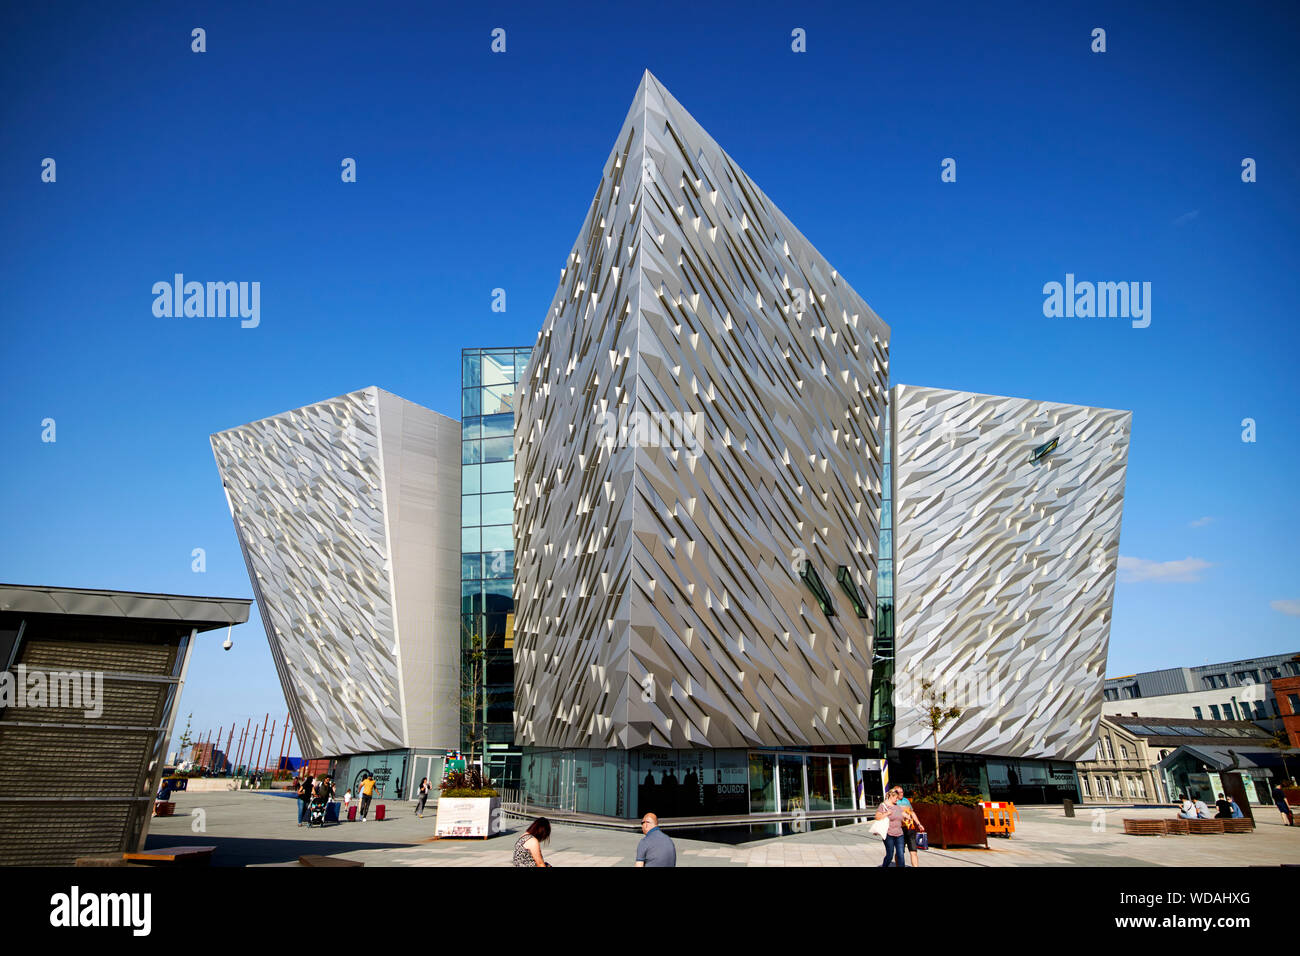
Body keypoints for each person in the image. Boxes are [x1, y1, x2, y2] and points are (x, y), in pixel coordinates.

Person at [875, 789, 909, 867]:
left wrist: (907, 817)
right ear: (891, 796)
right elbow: (877, 817)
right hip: (888, 834)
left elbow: (901, 815)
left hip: (899, 834)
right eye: (896, 798)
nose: (897, 799)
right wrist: (887, 813)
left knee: (901, 854)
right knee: (890, 855)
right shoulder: (883, 806)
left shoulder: (897, 806)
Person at [893, 786, 927, 867]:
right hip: (899, 830)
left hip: (910, 829)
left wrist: (919, 824)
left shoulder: (906, 801)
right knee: (900, 852)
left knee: (913, 851)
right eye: (900, 792)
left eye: (902, 792)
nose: (902, 793)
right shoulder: (893, 802)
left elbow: (912, 813)